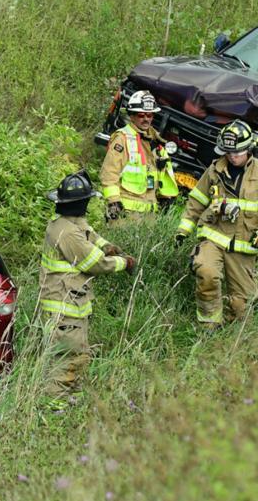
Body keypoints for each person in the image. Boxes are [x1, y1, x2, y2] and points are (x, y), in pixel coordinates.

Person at [174, 120, 258, 330]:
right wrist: (183, 230)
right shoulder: (214, 170)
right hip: (214, 236)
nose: (233, 156)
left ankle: (235, 328)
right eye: (229, 152)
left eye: (238, 152)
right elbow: (196, 201)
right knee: (206, 273)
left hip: (243, 244)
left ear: (249, 149)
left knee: (242, 305)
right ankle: (209, 327)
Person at [37, 171, 136, 395]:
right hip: (65, 306)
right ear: (81, 202)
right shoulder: (68, 233)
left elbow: (87, 231)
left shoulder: (64, 222)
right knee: (70, 356)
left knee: (76, 354)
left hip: (69, 302)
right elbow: (96, 264)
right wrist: (124, 263)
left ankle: (68, 398)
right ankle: (55, 403)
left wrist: (107, 245)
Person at [100, 90, 180, 220]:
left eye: (149, 115)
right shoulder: (122, 138)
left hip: (150, 213)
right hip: (125, 212)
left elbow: (159, 174)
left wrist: (164, 197)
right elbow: (109, 173)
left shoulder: (156, 141)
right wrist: (113, 201)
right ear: (131, 116)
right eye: (141, 115)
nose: (146, 119)